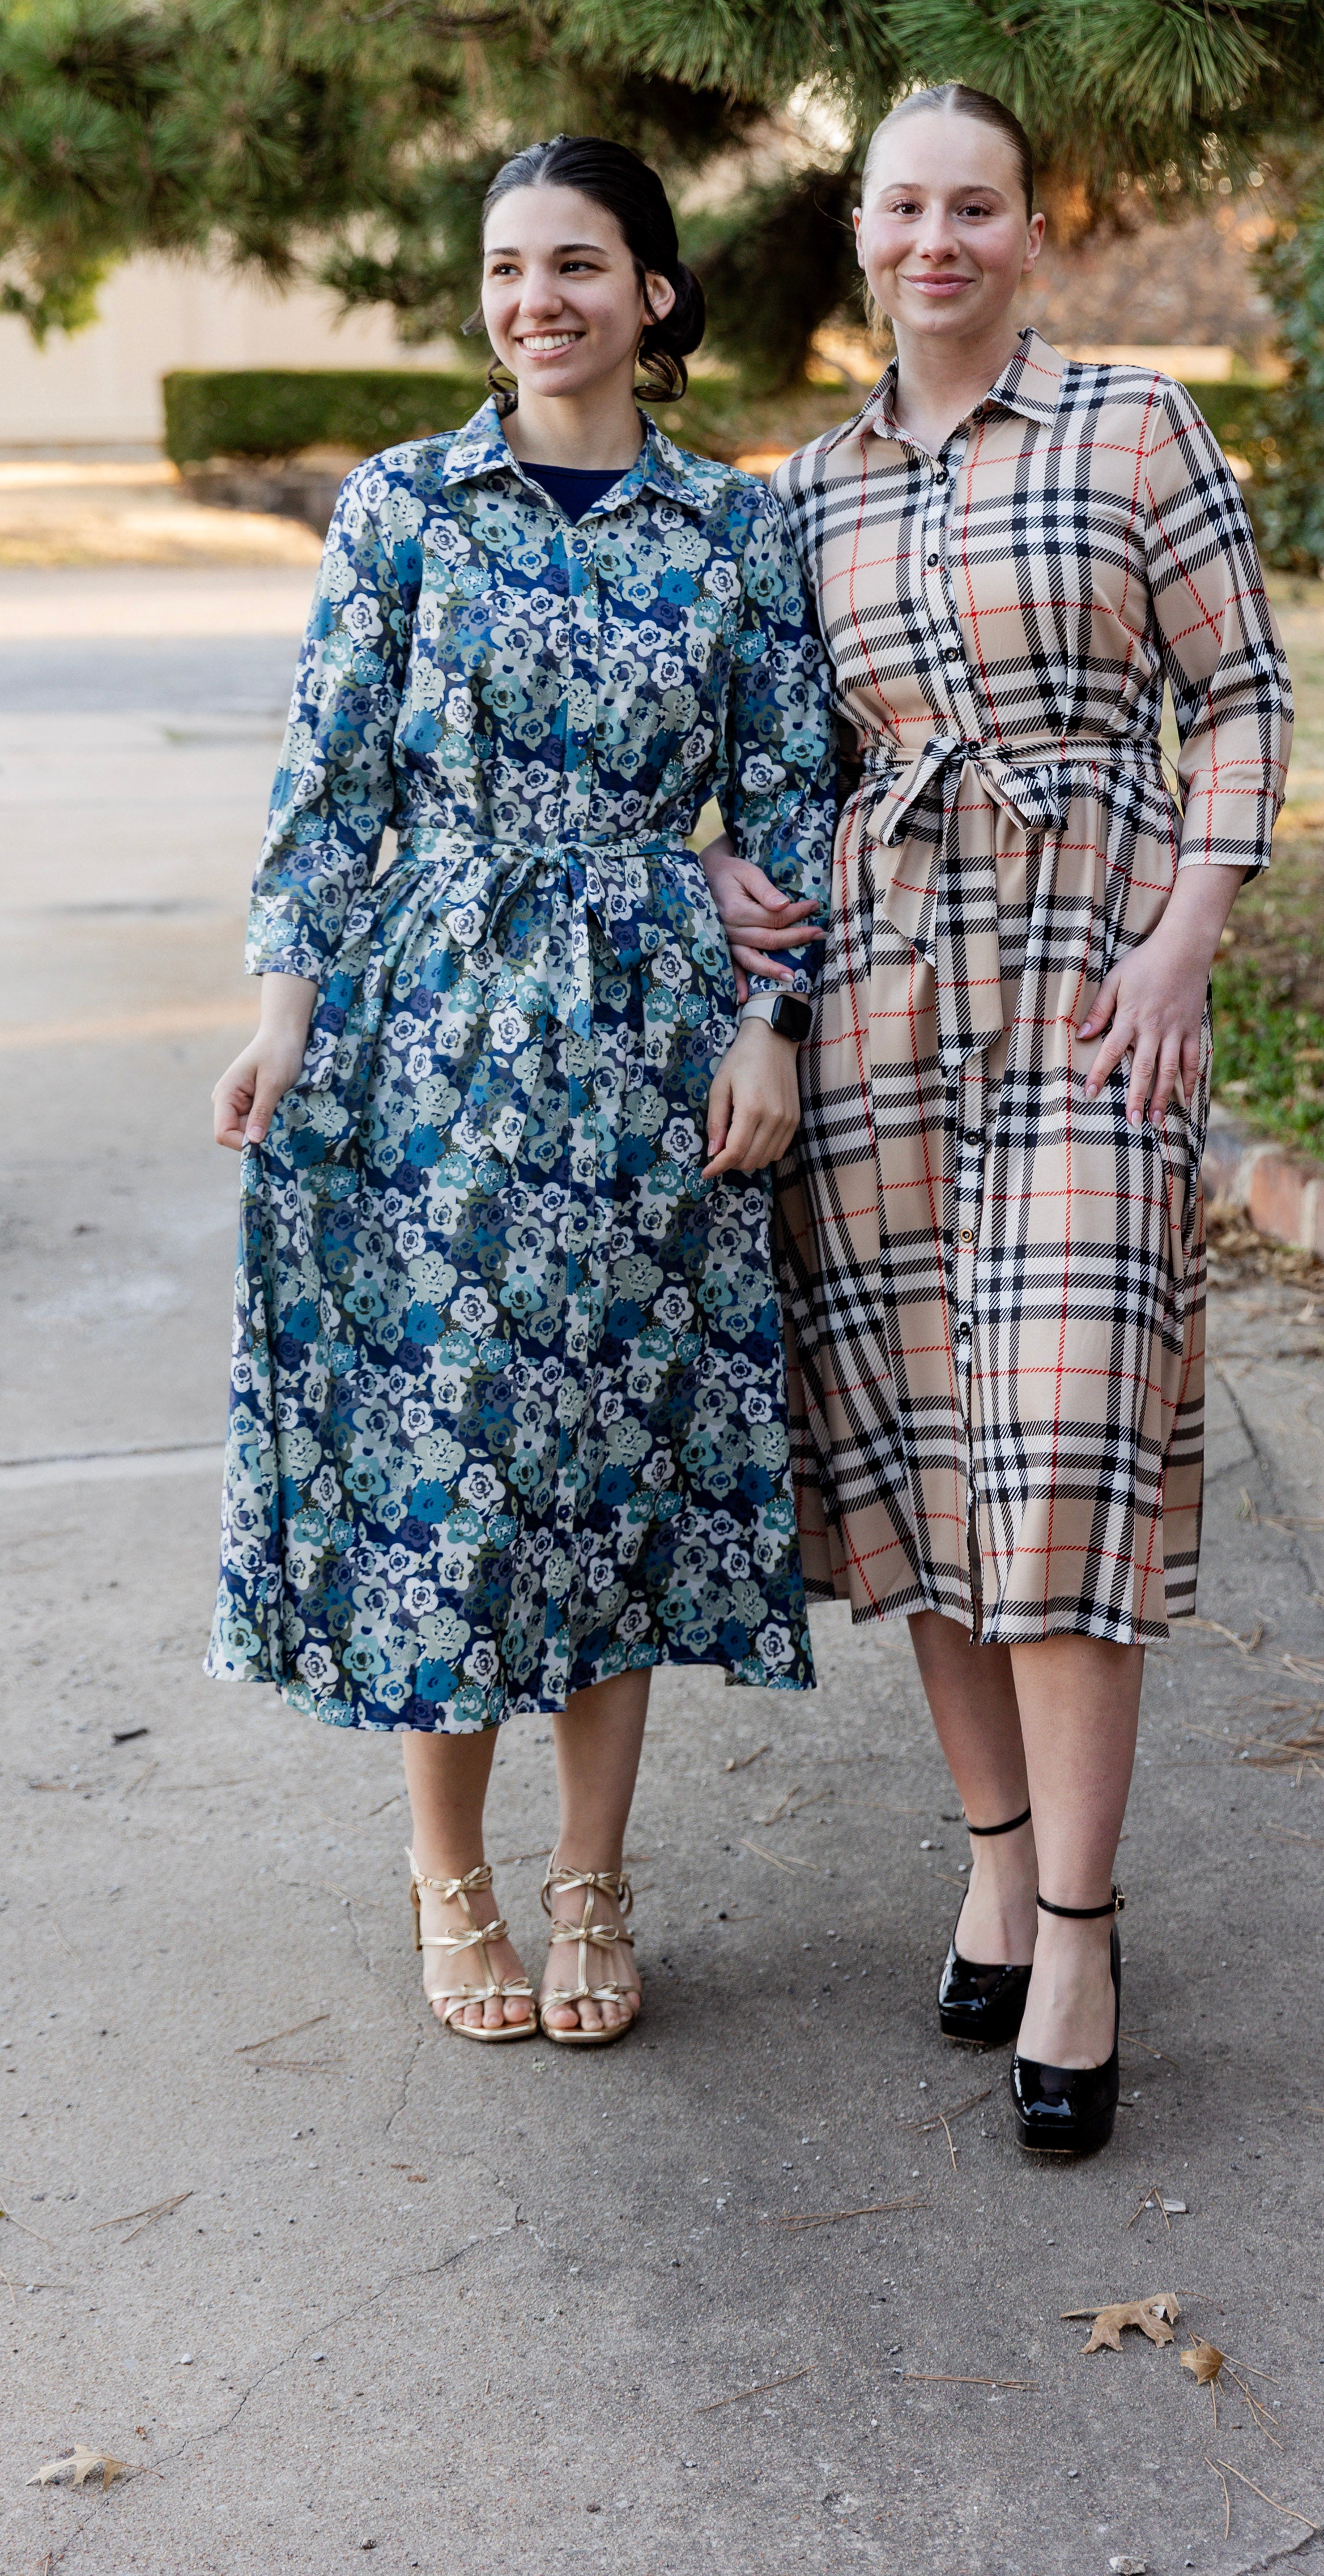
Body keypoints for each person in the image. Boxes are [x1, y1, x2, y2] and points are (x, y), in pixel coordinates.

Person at [704, 84, 1293, 2153]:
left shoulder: (1138, 432)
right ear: (859, 234)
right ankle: (994, 1848)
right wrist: (717, 878)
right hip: (877, 1005)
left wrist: (1183, 944)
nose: (938, 240)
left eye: (979, 208)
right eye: (905, 208)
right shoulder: (804, 495)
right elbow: (755, 757)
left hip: (1089, 995)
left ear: (1034, 233)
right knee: (923, 1476)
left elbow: (1246, 700)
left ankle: (1082, 1928)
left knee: (1055, 1460)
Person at [208, 138, 833, 2047]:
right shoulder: (403, 510)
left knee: (610, 1466)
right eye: (503, 268)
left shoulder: (735, 532)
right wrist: (280, 1016)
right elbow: (326, 789)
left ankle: (593, 1880)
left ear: (653, 293)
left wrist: (771, 1025)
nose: (534, 299)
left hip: (654, 1043)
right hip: (432, 1045)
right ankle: (449, 1877)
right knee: (451, 1475)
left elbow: (791, 803)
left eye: (576, 263)